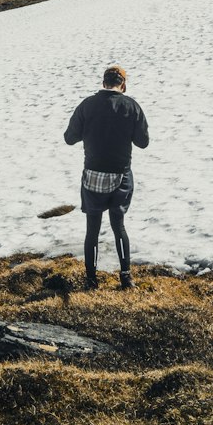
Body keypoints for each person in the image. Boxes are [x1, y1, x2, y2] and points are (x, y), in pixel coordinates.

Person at [64, 64, 149, 290]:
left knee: (92, 228)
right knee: (118, 226)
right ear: (123, 84)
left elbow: (69, 138)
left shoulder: (87, 105)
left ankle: (91, 280)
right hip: (121, 175)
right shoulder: (131, 106)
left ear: (103, 83)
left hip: (92, 174)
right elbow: (143, 142)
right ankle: (126, 277)